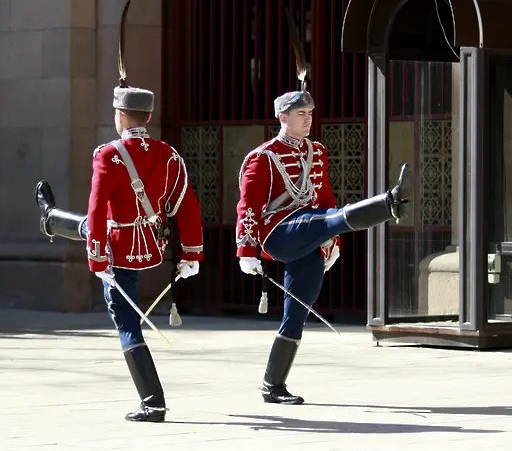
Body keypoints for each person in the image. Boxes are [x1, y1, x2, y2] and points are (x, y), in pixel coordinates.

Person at [34, 82, 204, 422]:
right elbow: (187, 205)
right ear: (149, 116)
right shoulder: (169, 154)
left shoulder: (108, 154)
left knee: (127, 323)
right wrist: (191, 254)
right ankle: (51, 218)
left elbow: (97, 209)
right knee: (87, 226)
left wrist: (96, 257)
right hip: (152, 243)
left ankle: (153, 402)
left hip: (117, 248)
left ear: (120, 116)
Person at [235, 89, 412, 405]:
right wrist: (246, 250)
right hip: (280, 233)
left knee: (298, 310)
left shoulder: (317, 152)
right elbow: (248, 206)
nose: (307, 119)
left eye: (310, 113)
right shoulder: (263, 157)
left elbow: (325, 201)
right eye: (300, 114)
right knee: (322, 221)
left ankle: (272, 385)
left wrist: (333, 240)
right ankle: (388, 204)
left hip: (314, 230)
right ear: (282, 117)